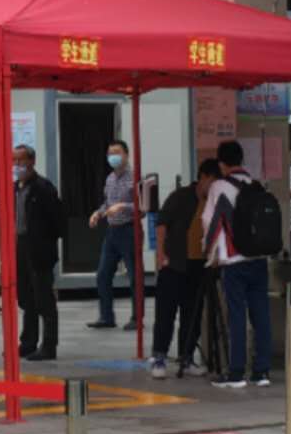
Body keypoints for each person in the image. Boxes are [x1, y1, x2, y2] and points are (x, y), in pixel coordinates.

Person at [202, 140, 273, 387]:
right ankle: (262, 371)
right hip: (259, 258)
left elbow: (210, 223)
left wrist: (209, 254)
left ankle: (236, 372)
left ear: (222, 164)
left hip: (233, 261)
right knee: (261, 315)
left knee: (236, 316)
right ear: (241, 160)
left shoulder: (219, 186)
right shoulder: (255, 184)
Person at [151, 160, 220, 379]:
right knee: (166, 313)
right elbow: (161, 224)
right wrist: (160, 254)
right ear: (203, 177)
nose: (214, 187)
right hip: (174, 263)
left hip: (199, 266)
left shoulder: (214, 201)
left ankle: (186, 357)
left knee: (192, 315)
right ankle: (159, 357)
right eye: (213, 181)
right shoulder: (180, 197)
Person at [12, 145, 65, 362]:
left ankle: (49, 346)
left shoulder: (43, 188)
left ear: (32, 161)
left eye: (21, 160)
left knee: (44, 299)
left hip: (40, 248)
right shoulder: (14, 188)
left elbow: (58, 221)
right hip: (21, 245)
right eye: (14, 161)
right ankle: (28, 342)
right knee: (26, 298)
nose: (17, 165)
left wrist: (44, 242)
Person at [88, 140, 140, 330]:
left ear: (126, 155)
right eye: (110, 154)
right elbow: (107, 203)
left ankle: (137, 318)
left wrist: (122, 206)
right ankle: (106, 317)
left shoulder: (135, 178)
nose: (113, 157)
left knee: (134, 277)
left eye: (117, 153)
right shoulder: (110, 178)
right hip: (112, 232)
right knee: (103, 275)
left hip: (129, 229)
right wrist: (98, 213)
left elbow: (142, 207)